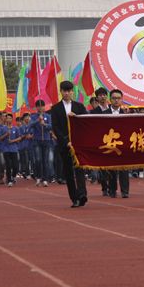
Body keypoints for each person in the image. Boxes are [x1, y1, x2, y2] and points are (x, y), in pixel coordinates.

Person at [50, 80, 89, 208]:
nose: (67, 93)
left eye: (69, 91)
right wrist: (66, 142)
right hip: (65, 144)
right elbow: (56, 128)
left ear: (73, 92)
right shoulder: (55, 108)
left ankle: (82, 194)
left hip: (78, 144)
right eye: (64, 91)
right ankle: (74, 198)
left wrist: (76, 117)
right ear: (61, 91)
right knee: (68, 172)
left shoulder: (79, 106)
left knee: (80, 169)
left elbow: (85, 123)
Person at [105, 89, 130, 198]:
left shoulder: (126, 113)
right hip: (110, 144)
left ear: (122, 99)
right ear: (110, 99)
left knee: (124, 169)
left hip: (122, 144)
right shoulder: (104, 114)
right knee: (111, 169)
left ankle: (125, 191)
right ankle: (112, 190)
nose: (116, 100)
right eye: (114, 98)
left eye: (118, 98)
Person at [31, 100, 55, 187]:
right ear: (36, 108)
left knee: (45, 160)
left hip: (46, 140)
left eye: (42, 106)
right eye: (38, 106)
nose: (40, 108)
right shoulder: (33, 116)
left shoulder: (48, 116)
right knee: (38, 160)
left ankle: (45, 179)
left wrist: (44, 124)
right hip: (37, 140)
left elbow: (52, 126)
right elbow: (30, 125)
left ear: (44, 107)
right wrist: (38, 120)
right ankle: (38, 177)